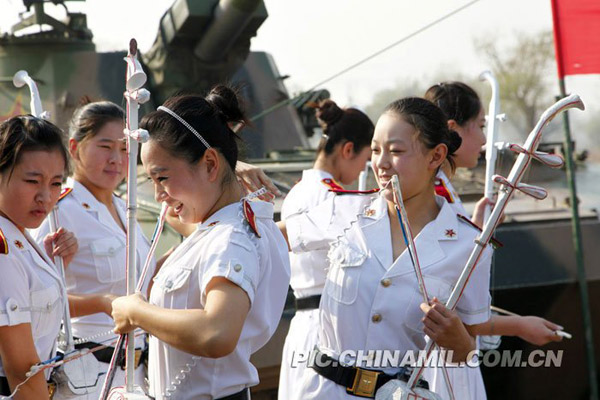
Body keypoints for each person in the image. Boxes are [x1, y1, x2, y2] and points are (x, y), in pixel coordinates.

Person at [279, 97, 493, 399]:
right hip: (322, 391)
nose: (380, 163)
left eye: (396, 151)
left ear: (436, 156)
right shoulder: (344, 211)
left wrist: (458, 341)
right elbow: (264, 237)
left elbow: (466, 351)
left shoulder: (469, 246)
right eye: (376, 150)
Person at [110, 86, 291, 400]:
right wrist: (227, 167)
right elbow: (181, 215)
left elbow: (217, 333)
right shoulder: (230, 224)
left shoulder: (231, 239)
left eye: (162, 177)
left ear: (209, 164)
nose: (158, 195)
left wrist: (136, 312)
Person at [424, 81, 564, 400]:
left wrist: (474, 229)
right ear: (452, 129)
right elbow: (444, 305)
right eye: (480, 125)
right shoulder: (435, 198)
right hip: (440, 359)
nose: (485, 139)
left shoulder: (443, 193)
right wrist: (521, 326)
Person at [30, 101, 154, 396]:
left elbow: (140, 279)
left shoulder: (125, 209)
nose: (116, 159)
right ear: (74, 149)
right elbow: (33, 298)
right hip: (88, 377)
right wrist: (100, 302)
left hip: (137, 373)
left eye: (125, 148)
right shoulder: (59, 211)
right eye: (105, 146)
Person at [278, 99, 374, 400]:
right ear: (348, 149)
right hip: (331, 331)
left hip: (302, 327)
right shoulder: (335, 199)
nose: (364, 169)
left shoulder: (297, 192)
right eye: (366, 159)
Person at [0, 116, 77, 398]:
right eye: (32, 181)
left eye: (56, 183)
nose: (45, 196)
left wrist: (47, 264)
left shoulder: (18, 235)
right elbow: (23, 372)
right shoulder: (3, 248)